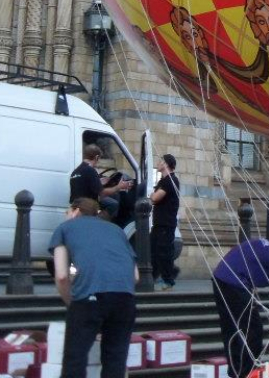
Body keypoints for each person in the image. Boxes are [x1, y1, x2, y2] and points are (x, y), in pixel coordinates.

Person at [49, 198, 138, 378]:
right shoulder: (116, 230)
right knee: (115, 360)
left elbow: (61, 275)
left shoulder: (64, 229)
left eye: (67, 212)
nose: (66, 216)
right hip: (124, 299)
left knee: (75, 359)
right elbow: (135, 276)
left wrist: (71, 302)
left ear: (75, 211)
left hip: (89, 299)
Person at [212, 238, 269, 378]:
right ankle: (246, 371)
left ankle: (235, 371)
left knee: (231, 328)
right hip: (234, 283)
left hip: (220, 278)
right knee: (253, 328)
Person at [70, 144, 133, 219]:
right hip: (87, 206)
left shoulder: (76, 171)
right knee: (113, 204)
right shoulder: (90, 170)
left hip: (76, 204)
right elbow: (102, 193)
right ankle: (100, 222)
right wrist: (119, 187)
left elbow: (84, 185)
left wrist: (99, 182)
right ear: (96, 157)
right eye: (99, 159)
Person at [150, 153, 180, 290]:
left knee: (164, 251)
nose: (158, 162)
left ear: (166, 164)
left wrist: (152, 195)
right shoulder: (163, 181)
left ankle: (168, 280)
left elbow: (155, 197)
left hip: (166, 223)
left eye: (161, 160)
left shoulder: (170, 181)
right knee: (153, 250)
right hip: (159, 222)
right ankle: (154, 277)